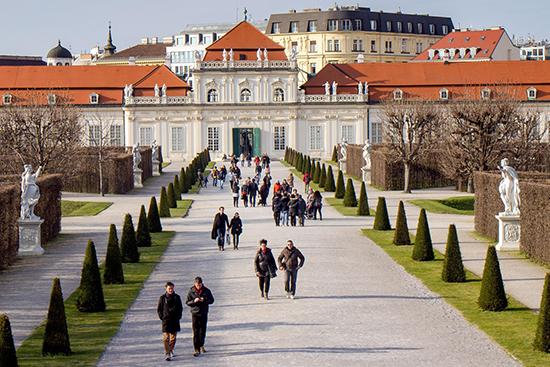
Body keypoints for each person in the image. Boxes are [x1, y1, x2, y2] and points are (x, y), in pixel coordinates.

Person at [186, 277, 214, 357]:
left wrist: (204, 300)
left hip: (203, 313)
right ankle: (196, 349)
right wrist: (194, 301)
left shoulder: (206, 291)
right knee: (196, 331)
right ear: (195, 284)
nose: (198, 286)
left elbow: (211, 300)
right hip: (195, 313)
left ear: (202, 283)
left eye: (199, 285)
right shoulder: (191, 291)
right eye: (197, 285)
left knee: (202, 331)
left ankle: (201, 344)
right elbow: (187, 302)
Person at [157, 281, 183, 361]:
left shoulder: (177, 297)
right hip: (166, 320)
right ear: (166, 289)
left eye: (172, 288)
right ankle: (167, 353)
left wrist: (178, 317)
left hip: (174, 320)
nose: (170, 290)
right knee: (166, 338)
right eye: (169, 289)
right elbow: (159, 309)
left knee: (173, 337)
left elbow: (180, 308)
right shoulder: (162, 298)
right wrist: (162, 317)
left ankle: (170, 349)